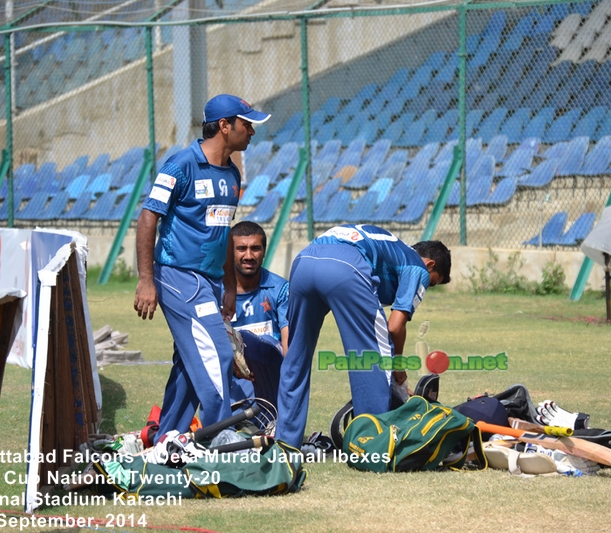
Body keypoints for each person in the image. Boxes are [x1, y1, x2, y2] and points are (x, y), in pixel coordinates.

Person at [133, 94, 270, 442]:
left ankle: (166, 439)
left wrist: (228, 284)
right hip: (178, 276)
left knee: (189, 363)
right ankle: (219, 437)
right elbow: (149, 217)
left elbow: (222, 232)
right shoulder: (180, 165)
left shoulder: (233, 174)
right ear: (225, 126)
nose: (252, 131)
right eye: (247, 123)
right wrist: (146, 280)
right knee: (219, 354)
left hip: (209, 282)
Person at [275, 224, 451, 447]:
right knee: (372, 356)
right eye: (432, 282)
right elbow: (395, 327)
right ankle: (371, 444)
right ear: (430, 264)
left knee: (295, 358)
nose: (427, 286)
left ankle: (285, 443)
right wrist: (398, 371)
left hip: (304, 261)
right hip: (345, 266)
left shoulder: (393, 248)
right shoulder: (417, 266)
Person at [228, 220, 288, 408]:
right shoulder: (216, 291)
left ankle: (277, 412)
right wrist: (232, 363)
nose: (248, 255)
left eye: (255, 248)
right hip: (232, 375)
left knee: (267, 343)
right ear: (229, 252)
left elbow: (289, 344)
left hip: (271, 374)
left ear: (264, 251)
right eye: (241, 249)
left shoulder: (280, 289)